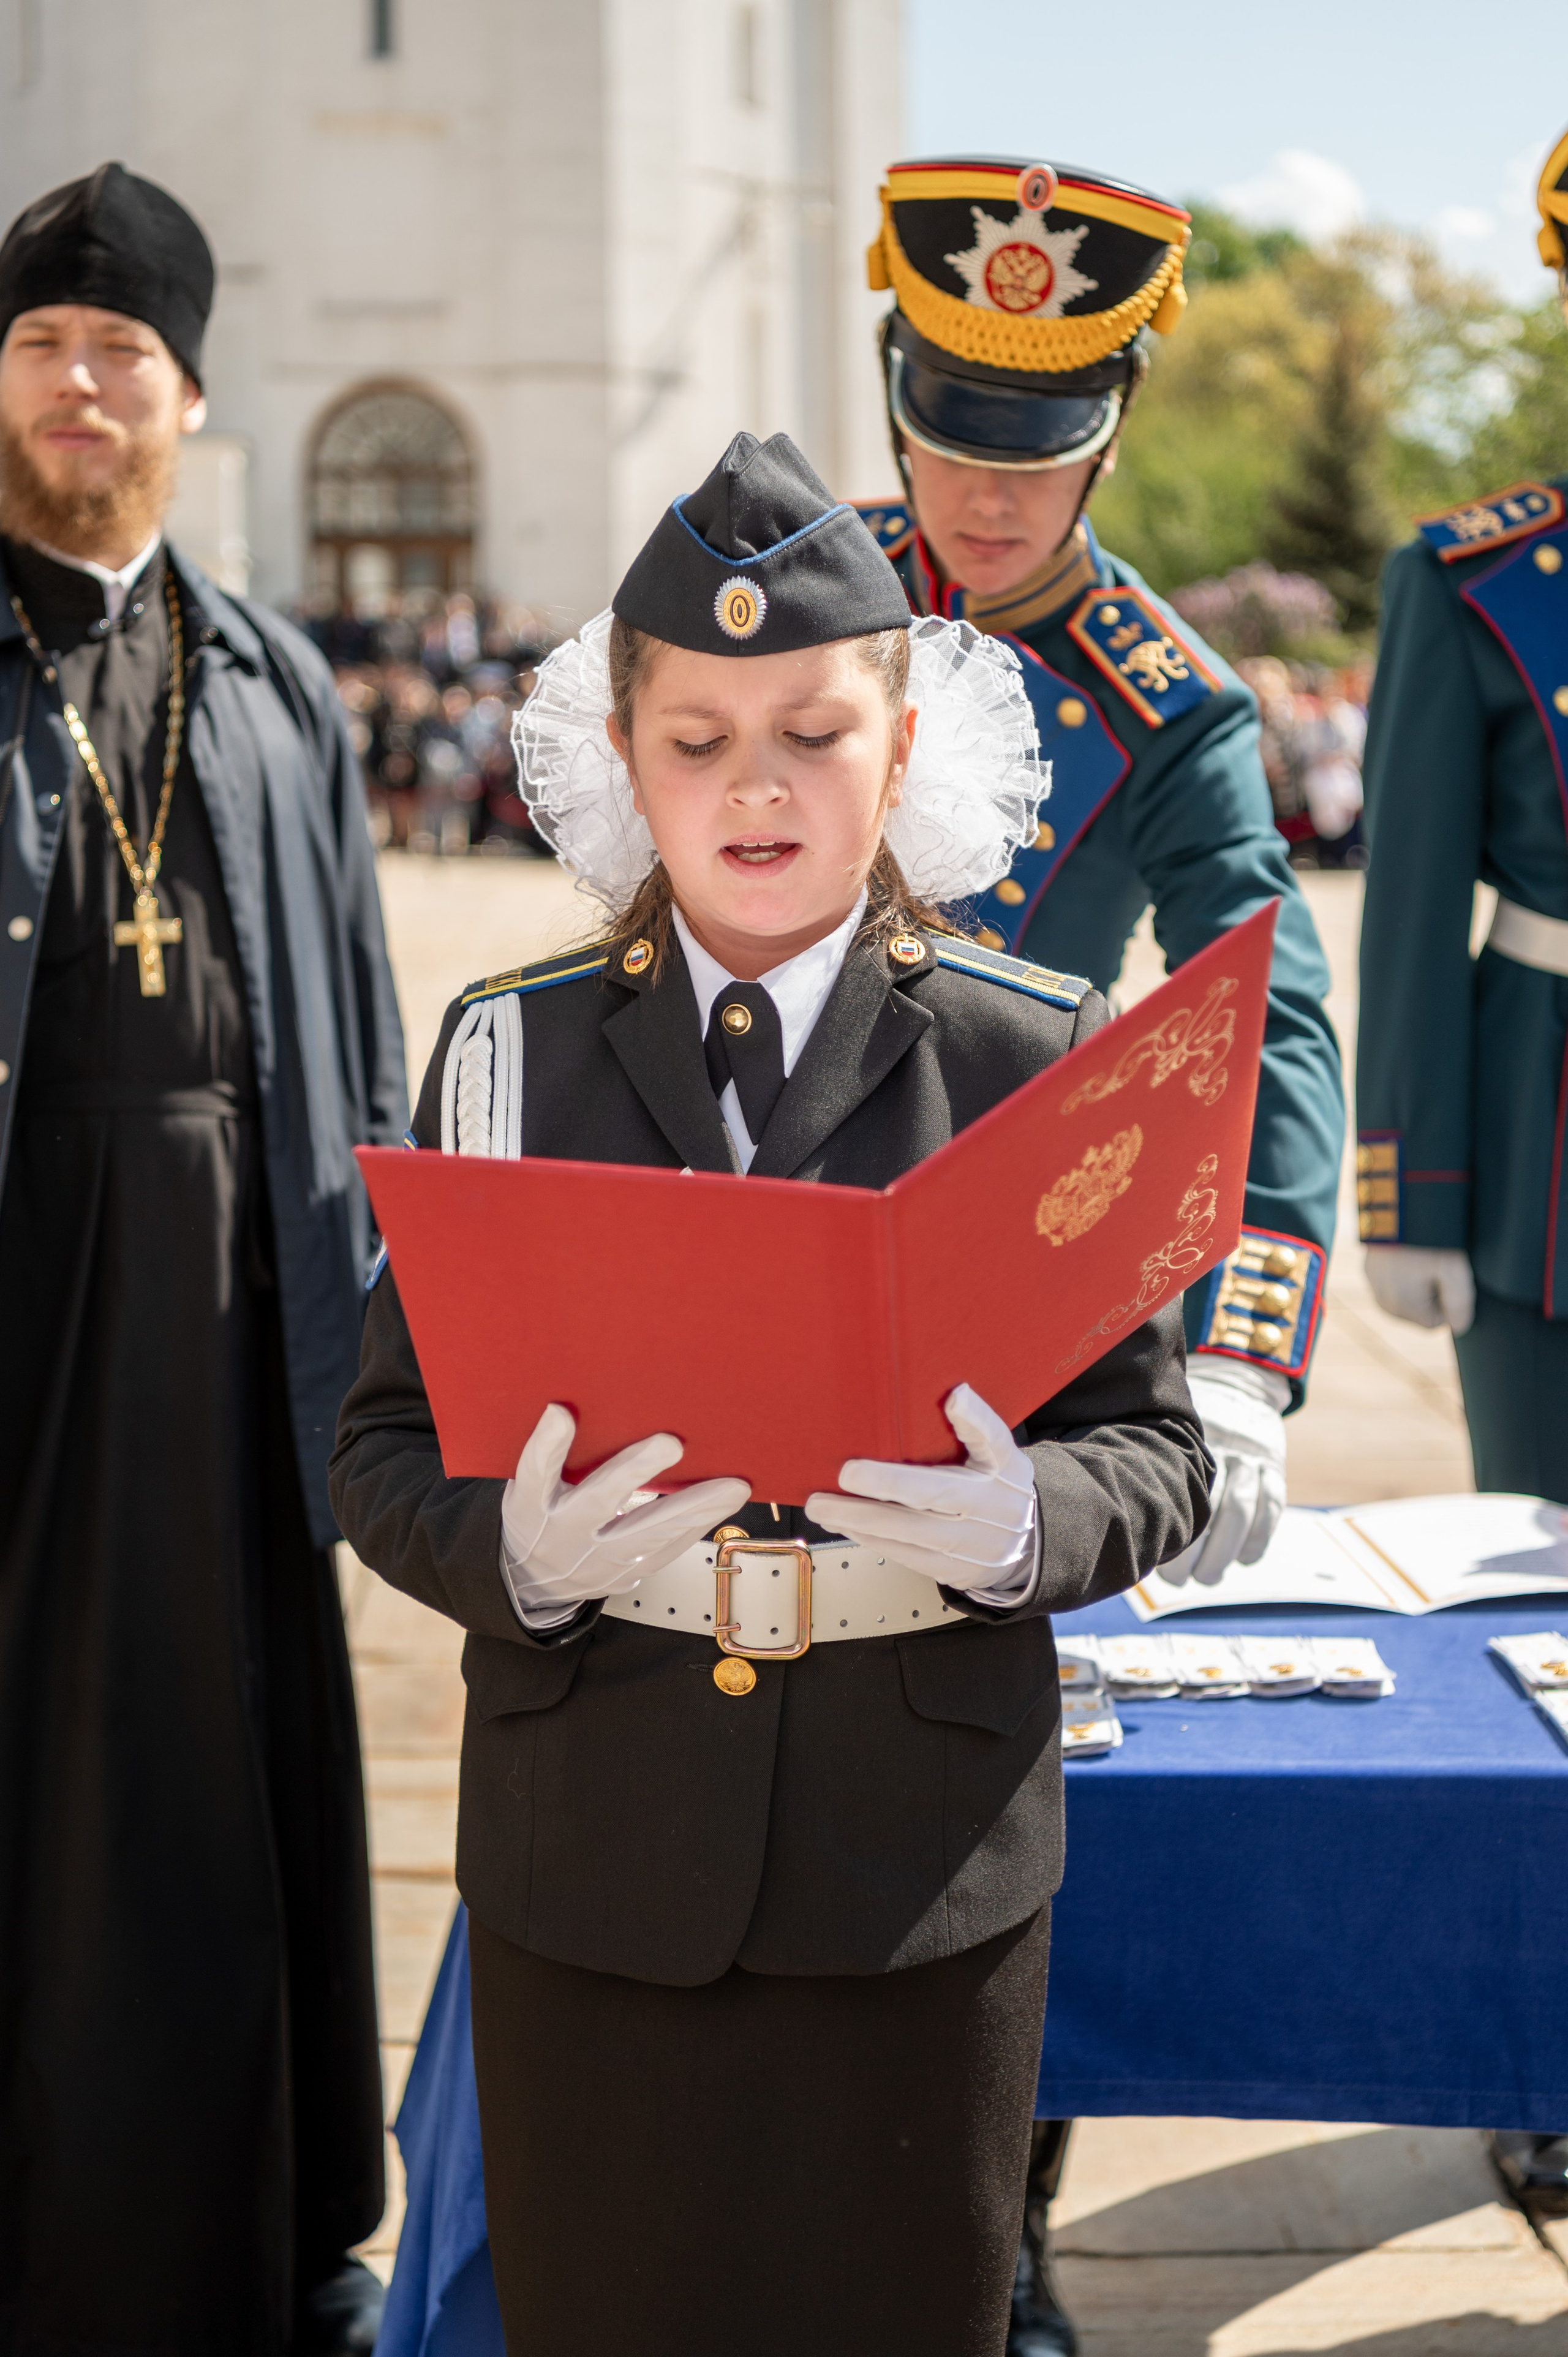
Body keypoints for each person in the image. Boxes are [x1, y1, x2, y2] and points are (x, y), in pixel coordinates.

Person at [331, 429, 1212, 2357]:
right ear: (620, 762)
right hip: (596, 1843)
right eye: (700, 737)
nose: (757, 785)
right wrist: (519, 1554)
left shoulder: (1032, 1059)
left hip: (920, 1861)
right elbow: (375, 1447)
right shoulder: (506, 1057)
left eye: (813, 733)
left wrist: (1028, 1527)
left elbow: (1157, 1450)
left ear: (905, 753)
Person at [857, 153, 1346, 2353]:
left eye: (1036, 453)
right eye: (955, 442)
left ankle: (994, 2227)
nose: (988, 499)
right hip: (753, 1211)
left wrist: (1242, 1343)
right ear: (893, 405)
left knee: (978, 1773)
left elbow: (1272, 1000)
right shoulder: (785, 590)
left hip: (999, 1276)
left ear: (1114, 427)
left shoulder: (1166, 697)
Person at [0, 164, 407, 2352]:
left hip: (247, 1308)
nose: (82, 387)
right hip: (32, 1294)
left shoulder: (273, 679)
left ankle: (261, 2231)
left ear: (187, 397)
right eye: (46, 347)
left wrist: (379, 1336)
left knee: (242, 1758)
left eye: (122, 355)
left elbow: (346, 1004)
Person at [1355, 124, 1568, 2220]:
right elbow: (1411, 901)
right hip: (1547, 1182)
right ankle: (1545, 2051)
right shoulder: (1481, 585)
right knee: (1545, 1626)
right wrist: (1409, 1197)